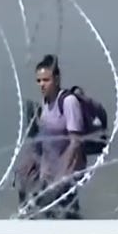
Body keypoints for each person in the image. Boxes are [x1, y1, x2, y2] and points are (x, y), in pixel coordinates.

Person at [20, 54, 85, 220]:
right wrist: (31, 161)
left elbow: (75, 142)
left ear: (56, 79)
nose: (42, 84)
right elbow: (44, 138)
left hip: (65, 178)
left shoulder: (69, 102)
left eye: (46, 80)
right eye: (39, 80)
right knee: (45, 217)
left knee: (69, 219)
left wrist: (62, 173)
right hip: (46, 175)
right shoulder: (45, 103)